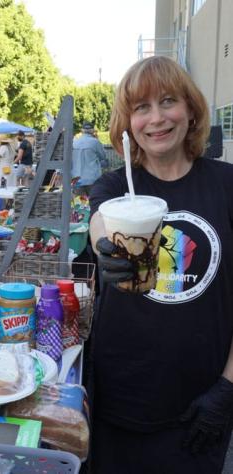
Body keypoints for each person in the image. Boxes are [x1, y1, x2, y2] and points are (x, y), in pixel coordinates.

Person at [88, 55, 233, 473]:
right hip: (120, 403)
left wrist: (227, 388)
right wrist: (105, 248)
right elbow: (100, 219)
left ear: (190, 110)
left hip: (200, 408)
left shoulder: (225, 186)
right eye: (141, 107)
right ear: (128, 123)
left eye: (168, 101)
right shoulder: (115, 186)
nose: (156, 118)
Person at [71, 121, 107, 196]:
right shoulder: (95, 142)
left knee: (79, 205)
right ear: (92, 131)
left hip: (77, 180)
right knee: (94, 203)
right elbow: (103, 157)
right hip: (92, 179)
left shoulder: (74, 142)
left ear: (82, 130)